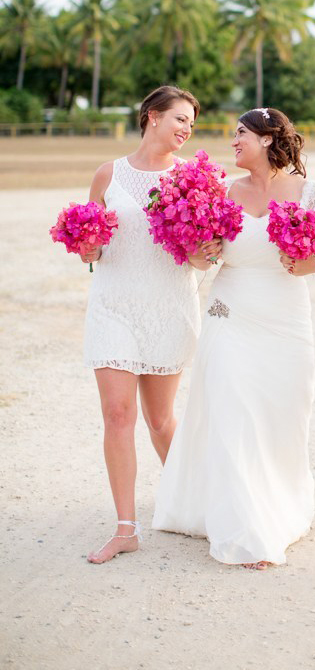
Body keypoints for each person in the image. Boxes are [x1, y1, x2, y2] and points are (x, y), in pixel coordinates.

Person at [153, 107, 315, 568]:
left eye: (241, 133)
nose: (233, 141)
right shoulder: (221, 192)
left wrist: (313, 265)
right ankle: (245, 526)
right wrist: (200, 251)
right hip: (230, 313)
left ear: (267, 140)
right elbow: (204, 261)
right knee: (233, 411)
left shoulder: (310, 193)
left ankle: (276, 503)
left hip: (286, 320)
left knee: (280, 416)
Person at [83, 85, 202, 564]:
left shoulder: (192, 178)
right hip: (113, 307)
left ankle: (190, 505)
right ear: (152, 116)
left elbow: (199, 256)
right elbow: (93, 243)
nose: (186, 130)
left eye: (191, 124)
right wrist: (87, 248)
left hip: (169, 307)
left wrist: (205, 250)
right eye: (179, 119)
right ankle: (126, 528)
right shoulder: (108, 174)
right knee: (118, 416)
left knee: (159, 419)